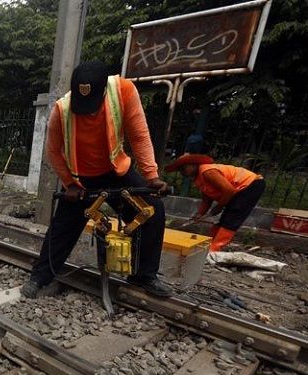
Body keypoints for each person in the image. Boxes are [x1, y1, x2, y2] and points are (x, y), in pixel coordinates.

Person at [21, 60, 171, 299]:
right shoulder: (62, 109)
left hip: (116, 172)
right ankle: (40, 277)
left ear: (103, 91)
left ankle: (144, 276)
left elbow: (139, 136)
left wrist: (151, 176)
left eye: (92, 105)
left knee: (152, 211)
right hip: (81, 179)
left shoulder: (123, 91)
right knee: (62, 228)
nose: (88, 111)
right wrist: (69, 183)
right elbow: (53, 151)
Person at [166, 153, 265, 252]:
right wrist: (200, 213)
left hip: (250, 184)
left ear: (194, 164)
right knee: (225, 218)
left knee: (233, 216)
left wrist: (219, 206)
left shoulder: (207, 172)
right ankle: (211, 244)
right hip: (239, 189)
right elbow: (207, 198)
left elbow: (228, 190)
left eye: (183, 168)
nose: (182, 172)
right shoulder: (199, 178)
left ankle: (215, 249)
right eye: (180, 170)